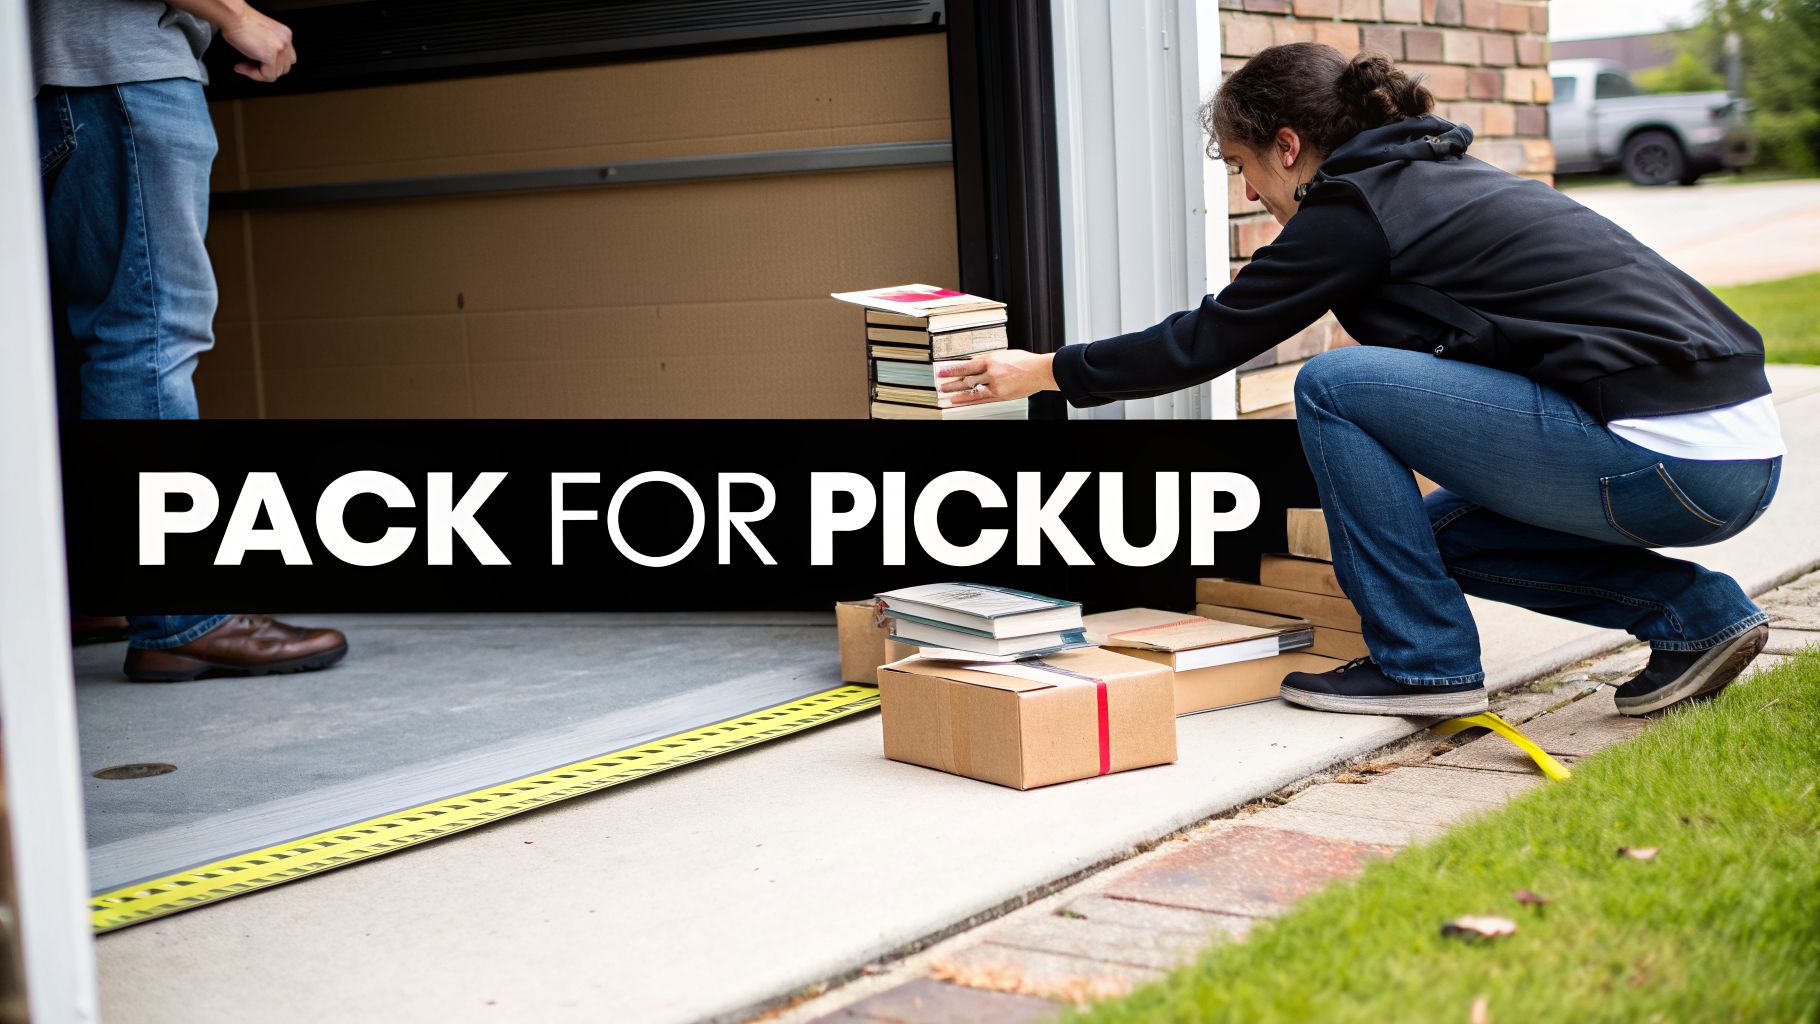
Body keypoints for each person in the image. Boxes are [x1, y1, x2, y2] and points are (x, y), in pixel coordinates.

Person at [937, 42, 1783, 719]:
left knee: (1334, 383)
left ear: (1289, 146)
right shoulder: (1429, 179)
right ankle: (1695, 616)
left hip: (1667, 455)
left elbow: (1207, 340)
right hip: (1729, 451)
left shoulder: (1352, 210)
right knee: (1434, 538)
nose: (1247, 188)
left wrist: (1045, 371)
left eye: (1242, 164)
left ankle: (1423, 668)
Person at [34, 0, 348, 682]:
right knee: (147, 337)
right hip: (118, 72)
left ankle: (103, 586)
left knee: (66, 344)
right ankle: (179, 616)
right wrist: (235, 13)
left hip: (56, 82)